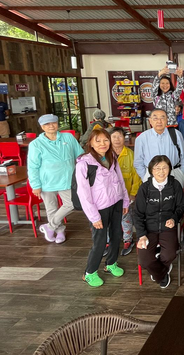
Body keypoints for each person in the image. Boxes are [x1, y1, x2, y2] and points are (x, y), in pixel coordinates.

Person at [76, 129, 130, 287]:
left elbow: (120, 180)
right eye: (98, 141)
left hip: (116, 202)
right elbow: (83, 193)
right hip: (99, 208)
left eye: (106, 140)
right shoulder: (84, 163)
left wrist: (125, 201)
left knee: (116, 235)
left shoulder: (111, 156)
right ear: (91, 143)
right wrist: (94, 216)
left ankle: (111, 263)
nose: (102, 144)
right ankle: (90, 272)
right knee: (99, 241)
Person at [28, 114, 84, 244]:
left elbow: (80, 155)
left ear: (57, 124)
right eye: (47, 124)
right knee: (51, 209)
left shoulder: (68, 137)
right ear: (42, 127)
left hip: (67, 179)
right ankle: (59, 231)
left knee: (71, 203)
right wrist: (35, 185)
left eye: (53, 123)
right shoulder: (36, 144)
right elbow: (33, 166)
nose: (51, 126)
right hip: (47, 182)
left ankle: (49, 226)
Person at [135, 155, 184, 289]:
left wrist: (174, 218)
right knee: (144, 260)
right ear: (151, 170)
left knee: (170, 254)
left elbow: (181, 206)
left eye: (165, 168)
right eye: (157, 168)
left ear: (169, 169)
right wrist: (141, 235)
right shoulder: (145, 188)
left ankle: (158, 269)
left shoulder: (174, 185)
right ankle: (162, 273)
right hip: (148, 228)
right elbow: (138, 214)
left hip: (167, 227)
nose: (161, 172)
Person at [134, 109, 184, 187]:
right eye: (155, 118)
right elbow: (138, 161)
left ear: (167, 120)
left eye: (162, 118)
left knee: (175, 195)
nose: (159, 121)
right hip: (151, 175)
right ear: (150, 121)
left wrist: (181, 172)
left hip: (174, 173)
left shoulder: (176, 134)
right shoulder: (142, 138)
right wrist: (145, 176)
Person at [109, 127, 142, 256]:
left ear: (125, 138)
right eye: (114, 137)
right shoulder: (105, 154)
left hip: (125, 194)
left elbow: (136, 176)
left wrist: (133, 193)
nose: (117, 139)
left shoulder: (131, 155)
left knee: (125, 217)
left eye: (120, 136)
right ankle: (108, 241)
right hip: (108, 195)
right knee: (108, 218)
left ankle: (128, 240)